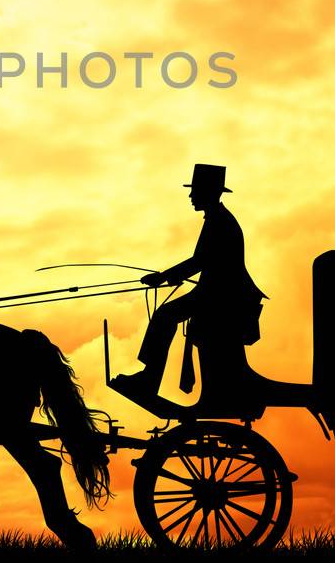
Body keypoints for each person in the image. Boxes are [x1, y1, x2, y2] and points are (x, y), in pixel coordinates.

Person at [110, 164, 265, 405]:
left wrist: (163, 276)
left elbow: (201, 260)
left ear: (210, 193)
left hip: (221, 296)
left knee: (165, 316)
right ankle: (148, 379)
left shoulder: (219, 221)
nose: (191, 196)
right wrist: (171, 275)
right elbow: (205, 261)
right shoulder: (219, 219)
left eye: (196, 191)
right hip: (217, 292)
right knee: (166, 316)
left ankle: (148, 380)